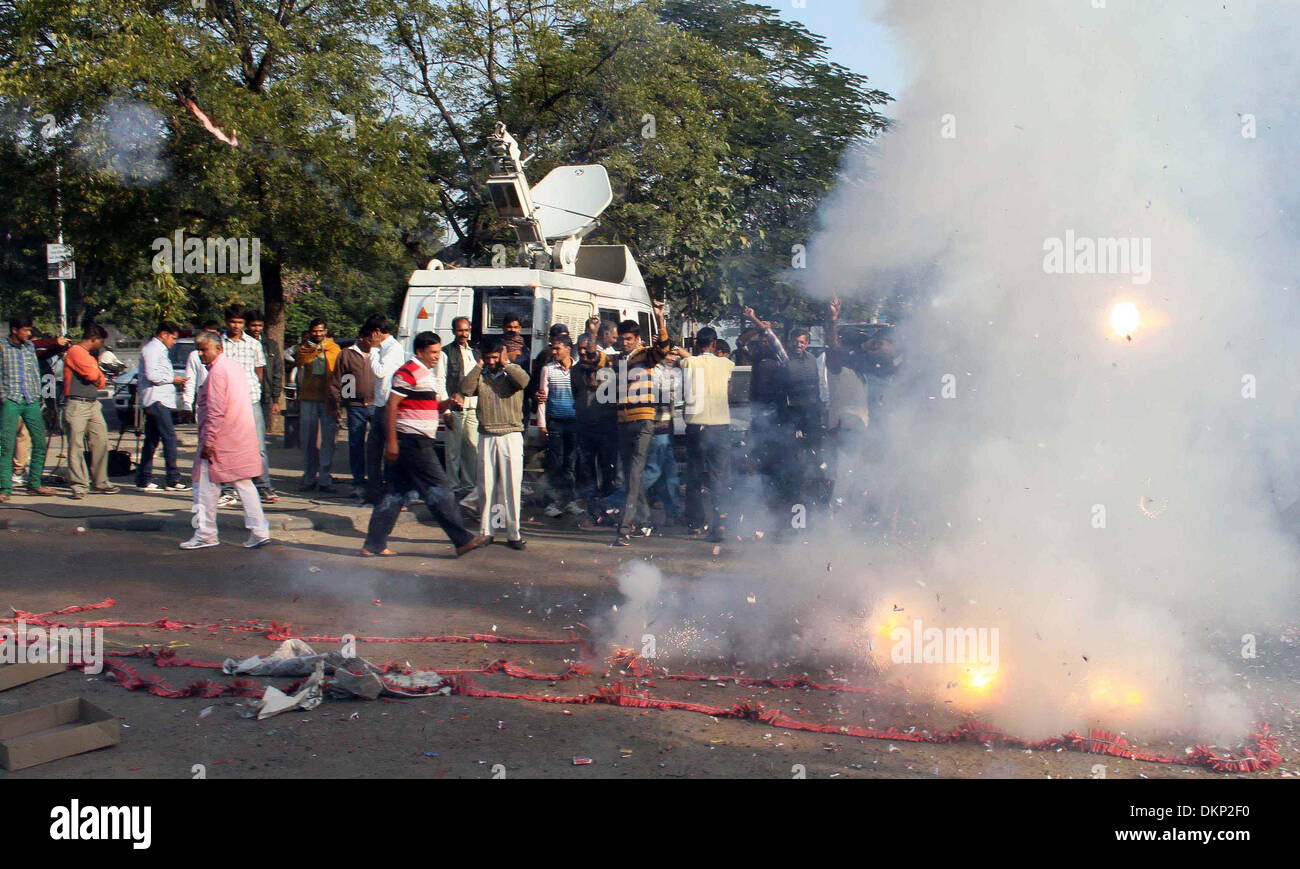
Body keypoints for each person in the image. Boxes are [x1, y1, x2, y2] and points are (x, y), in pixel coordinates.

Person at [362, 331, 486, 558]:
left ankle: (374, 544)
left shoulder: (426, 374)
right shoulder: (407, 372)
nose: (437, 356)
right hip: (412, 441)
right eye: (433, 352)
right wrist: (391, 442)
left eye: (438, 352)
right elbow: (391, 406)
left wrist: (448, 404)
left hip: (416, 440)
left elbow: (428, 407)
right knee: (441, 489)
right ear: (420, 352)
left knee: (395, 493)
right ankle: (462, 539)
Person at [589, 300, 671, 546]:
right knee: (629, 476)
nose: (624, 343)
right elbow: (594, 358)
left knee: (634, 475)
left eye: (628, 339)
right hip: (623, 423)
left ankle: (623, 530)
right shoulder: (618, 361)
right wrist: (593, 333)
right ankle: (645, 522)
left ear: (636, 339)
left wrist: (659, 317)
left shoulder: (646, 355)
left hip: (643, 422)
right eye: (621, 339)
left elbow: (664, 348)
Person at [182, 331, 271, 550]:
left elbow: (215, 410)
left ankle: (206, 533)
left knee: (203, 486)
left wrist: (208, 442)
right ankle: (259, 530)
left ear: (218, 349)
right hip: (238, 435)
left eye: (204, 349)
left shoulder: (218, 372)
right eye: (199, 349)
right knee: (243, 483)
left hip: (220, 438)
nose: (201, 354)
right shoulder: (232, 367)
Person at [460, 337, 529, 549]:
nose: (491, 361)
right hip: (487, 435)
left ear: (502, 354)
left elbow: (524, 382)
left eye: (494, 357)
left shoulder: (513, 370)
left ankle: (513, 534)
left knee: (511, 487)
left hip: (511, 434)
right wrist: (479, 366)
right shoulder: (481, 375)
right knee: (487, 487)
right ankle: (486, 532)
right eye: (487, 357)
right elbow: (465, 389)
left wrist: (506, 363)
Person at [0, 316, 70, 500]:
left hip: (31, 400)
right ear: (15, 330)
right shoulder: (2, 346)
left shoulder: (29, 347)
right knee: (6, 445)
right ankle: (4, 488)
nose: (29, 333)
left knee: (39, 442)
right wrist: (3, 397)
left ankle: (34, 484)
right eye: (26, 330)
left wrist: (59, 344)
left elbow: (39, 352)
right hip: (11, 400)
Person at [679, 326, 735, 541]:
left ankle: (695, 523)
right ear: (714, 344)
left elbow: (683, 358)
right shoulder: (727, 364)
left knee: (694, 475)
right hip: (720, 426)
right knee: (719, 477)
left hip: (696, 426)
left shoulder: (689, 363)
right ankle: (720, 522)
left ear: (696, 344)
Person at [218, 305, 276, 506]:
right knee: (226, 446)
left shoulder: (253, 344)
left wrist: (252, 390)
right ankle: (227, 489)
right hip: (226, 401)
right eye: (233, 322)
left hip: (250, 399)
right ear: (227, 322)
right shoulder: (219, 344)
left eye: (240, 322)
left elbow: (259, 372)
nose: (236, 326)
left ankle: (263, 486)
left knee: (258, 446)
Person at [62, 323, 119, 499]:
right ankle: (79, 485)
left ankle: (100, 481)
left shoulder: (89, 356)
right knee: (76, 446)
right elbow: (93, 376)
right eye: (100, 342)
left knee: (100, 439)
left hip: (93, 403)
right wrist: (96, 371)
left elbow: (100, 381)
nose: (101, 346)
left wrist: (96, 372)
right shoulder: (76, 352)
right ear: (93, 339)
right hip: (77, 403)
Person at [135, 321, 189, 492]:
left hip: (161, 399)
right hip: (156, 399)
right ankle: (172, 479)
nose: (174, 342)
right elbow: (152, 375)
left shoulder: (159, 350)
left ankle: (144, 478)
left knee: (152, 440)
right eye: (173, 338)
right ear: (164, 334)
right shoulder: (152, 349)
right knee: (169, 438)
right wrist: (173, 379)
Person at [288, 319, 340, 492]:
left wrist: (341, 401)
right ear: (310, 332)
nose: (318, 334)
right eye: (314, 331)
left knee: (328, 440)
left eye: (320, 331)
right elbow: (295, 363)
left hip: (328, 399)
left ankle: (325, 478)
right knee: (308, 439)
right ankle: (309, 477)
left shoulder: (334, 349)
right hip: (308, 398)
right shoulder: (303, 350)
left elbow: (342, 374)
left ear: (326, 331)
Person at [572, 334, 619, 519]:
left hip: (607, 427)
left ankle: (609, 507)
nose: (583, 352)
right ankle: (594, 511)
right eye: (580, 349)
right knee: (587, 472)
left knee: (608, 470)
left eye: (586, 349)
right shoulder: (575, 371)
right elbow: (575, 394)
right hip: (584, 428)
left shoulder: (607, 368)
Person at [536, 333, 583, 517]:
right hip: (555, 422)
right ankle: (556, 502)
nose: (554, 352)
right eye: (552, 349)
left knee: (570, 464)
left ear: (568, 349)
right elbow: (542, 399)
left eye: (557, 348)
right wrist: (542, 425)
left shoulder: (578, 370)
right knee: (556, 463)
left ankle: (568, 500)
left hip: (574, 423)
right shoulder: (547, 369)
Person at [331, 327, 378, 501]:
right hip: (355, 405)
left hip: (377, 405)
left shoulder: (379, 353)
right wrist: (340, 403)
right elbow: (340, 380)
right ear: (362, 338)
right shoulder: (347, 354)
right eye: (370, 340)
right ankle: (358, 481)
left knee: (376, 444)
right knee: (356, 443)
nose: (373, 344)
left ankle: (376, 481)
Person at [361, 317, 403, 504]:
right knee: (373, 449)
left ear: (377, 332)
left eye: (370, 336)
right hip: (379, 404)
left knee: (389, 451)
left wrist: (374, 349)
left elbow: (379, 371)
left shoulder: (392, 348)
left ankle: (391, 491)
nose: (368, 340)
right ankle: (374, 490)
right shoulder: (384, 348)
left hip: (388, 405)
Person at [641, 348, 683, 525]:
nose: (672, 358)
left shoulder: (674, 372)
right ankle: (616, 501)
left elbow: (677, 393)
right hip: (655, 426)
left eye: (675, 355)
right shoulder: (654, 370)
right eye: (668, 354)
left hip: (667, 425)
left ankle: (672, 511)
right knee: (653, 470)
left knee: (669, 471)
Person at [443, 316, 480, 496]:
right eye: (460, 330)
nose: (463, 334)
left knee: (471, 448)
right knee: (453, 451)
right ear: (453, 331)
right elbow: (441, 381)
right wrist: (446, 409)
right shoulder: (446, 352)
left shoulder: (475, 351)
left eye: (466, 330)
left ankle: (469, 487)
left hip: (473, 406)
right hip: (455, 407)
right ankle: (452, 487)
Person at [244, 311, 283, 440]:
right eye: (253, 325)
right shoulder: (242, 344)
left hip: (264, 395)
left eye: (259, 325)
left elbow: (277, 372)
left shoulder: (271, 345)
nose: (257, 329)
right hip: (244, 395)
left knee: (260, 434)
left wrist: (275, 399)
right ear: (247, 325)